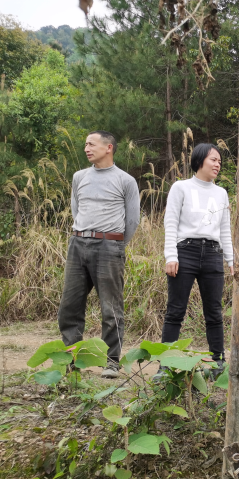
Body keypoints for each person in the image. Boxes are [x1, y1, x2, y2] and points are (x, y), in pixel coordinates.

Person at [58, 130, 140, 378]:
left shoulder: (125, 180)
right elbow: (76, 209)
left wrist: (115, 244)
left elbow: (132, 220)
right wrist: (84, 234)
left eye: (92, 144)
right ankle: (72, 359)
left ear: (109, 147)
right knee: (70, 306)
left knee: (111, 308)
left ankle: (111, 362)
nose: (86, 148)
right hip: (78, 243)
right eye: (85, 144)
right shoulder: (79, 177)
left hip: (109, 247)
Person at [157, 143, 234, 379]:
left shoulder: (221, 193)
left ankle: (218, 363)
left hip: (213, 253)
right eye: (213, 160)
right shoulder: (181, 187)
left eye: (219, 161)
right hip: (185, 252)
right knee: (175, 311)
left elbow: (225, 229)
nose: (218, 164)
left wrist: (230, 258)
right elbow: (170, 222)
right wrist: (171, 256)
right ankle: (165, 366)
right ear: (199, 160)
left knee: (214, 312)